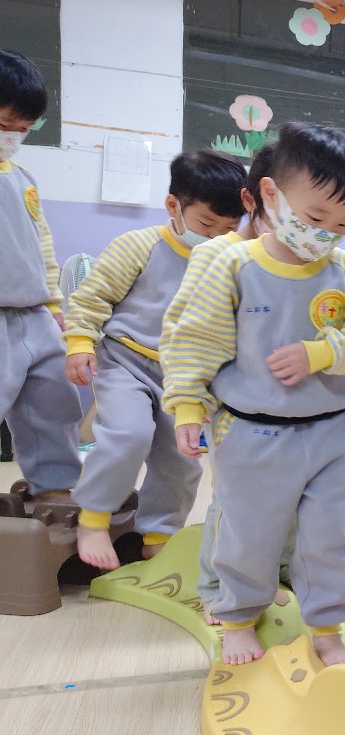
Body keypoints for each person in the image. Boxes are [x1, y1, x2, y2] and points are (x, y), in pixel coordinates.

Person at [163, 122, 345, 668]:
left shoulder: (343, 269)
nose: (327, 234)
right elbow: (193, 340)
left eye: (343, 224)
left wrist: (323, 352)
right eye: (315, 218)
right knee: (249, 532)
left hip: (332, 429)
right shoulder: (230, 264)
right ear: (270, 195)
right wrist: (188, 406)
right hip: (252, 432)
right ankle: (238, 617)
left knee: (330, 536)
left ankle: (327, 626)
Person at [64, 149, 247, 569]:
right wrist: (80, 344)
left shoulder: (229, 263)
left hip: (181, 377)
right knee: (128, 434)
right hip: (125, 362)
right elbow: (92, 298)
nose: (216, 236)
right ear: (173, 206)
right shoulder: (139, 246)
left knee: (182, 457)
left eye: (228, 228)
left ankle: (159, 535)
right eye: (206, 224)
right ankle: (93, 519)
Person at [160, 144, 293, 624]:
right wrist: (188, 405)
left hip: (287, 404)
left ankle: (278, 570)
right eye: (287, 215)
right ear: (253, 201)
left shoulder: (306, 260)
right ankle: (218, 586)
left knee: (292, 495)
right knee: (236, 499)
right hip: (231, 407)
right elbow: (184, 335)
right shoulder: (218, 255)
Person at [0, 50, 83, 503]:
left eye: (23, 130)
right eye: (3, 125)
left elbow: (42, 244)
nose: (12, 137)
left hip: (35, 315)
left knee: (53, 403)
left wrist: (54, 304)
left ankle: (54, 488)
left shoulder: (23, 178)